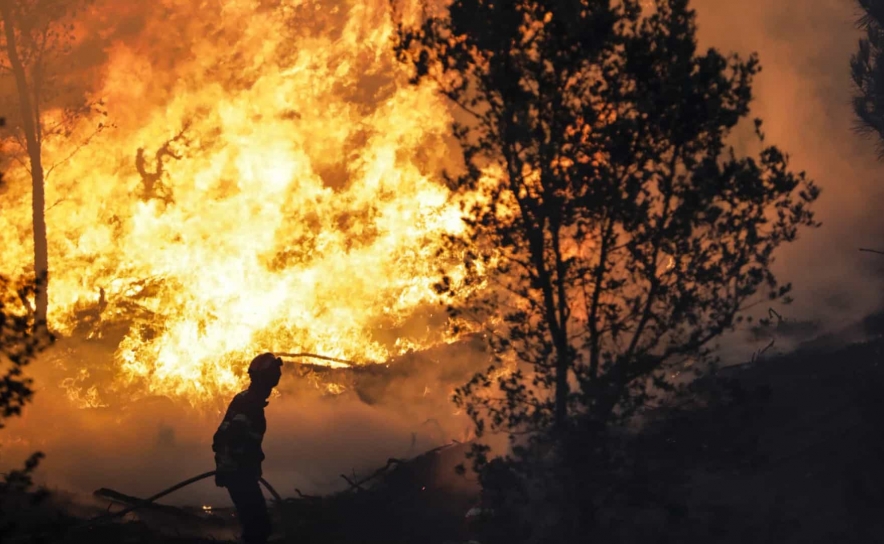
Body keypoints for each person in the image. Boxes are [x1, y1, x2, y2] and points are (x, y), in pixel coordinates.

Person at [212, 352, 283, 544]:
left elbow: (219, 438)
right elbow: (232, 439)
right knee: (259, 529)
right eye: (275, 374)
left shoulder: (244, 399)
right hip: (239, 474)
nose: (278, 376)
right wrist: (239, 467)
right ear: (266, 379)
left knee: (256, 526)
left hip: (237, 472)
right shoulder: (250, 405)